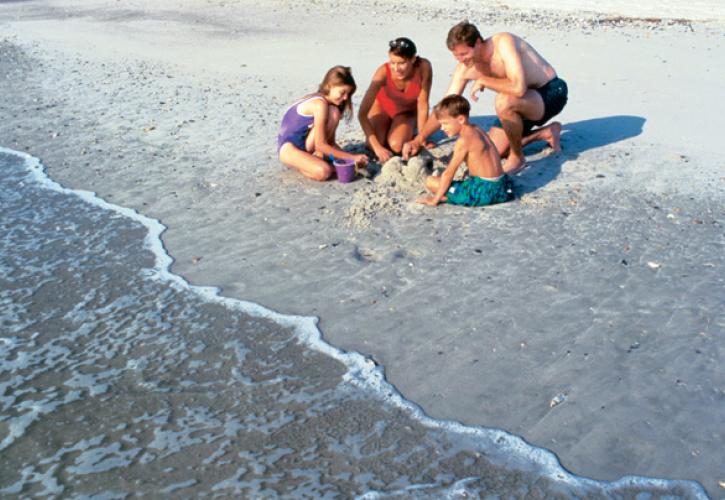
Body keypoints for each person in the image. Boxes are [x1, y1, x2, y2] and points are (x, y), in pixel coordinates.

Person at [404, 21, 568, 175]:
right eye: (456, 56)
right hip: (519, 106)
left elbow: (518, 88)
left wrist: (484, 80)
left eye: (464, 54)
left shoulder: (503, 43)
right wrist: (418, 140)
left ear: (477, 42)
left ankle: (517, 158)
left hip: (550, 93)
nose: (461, 60)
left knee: (504, 101)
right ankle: (546, 133)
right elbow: (444, 108)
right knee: (492, 151)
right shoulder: (465, 67)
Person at [417, 95, 513, 207]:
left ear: (461, 119)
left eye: (445, 123)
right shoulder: (477, 129)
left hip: (483, 192)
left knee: (431, 182)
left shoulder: (463, 141)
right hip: (503, 188)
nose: (442, 128)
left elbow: (449, 173)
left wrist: (435, 200)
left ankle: (449, 197)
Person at [278, 65, 368, 181]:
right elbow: (321, 145)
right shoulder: (319, 104)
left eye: (348, 93)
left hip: (307, 145)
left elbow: (330, 144)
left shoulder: (330, 108)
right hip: (289, 148)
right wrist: (352, 158)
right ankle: (311, 165)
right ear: (328, 86)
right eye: (342, 92)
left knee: (334, 112)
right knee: (323, 172)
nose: (346, 98)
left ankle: (319, 161)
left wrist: (348, 160)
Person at [358, 37, 433, 163]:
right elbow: (362, 114)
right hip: (382, 108)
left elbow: (423, 104)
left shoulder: (424, 67)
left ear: (413, 59)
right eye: (392, 63)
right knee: (374, 144)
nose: (396, 68)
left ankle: (405, 128)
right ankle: (387, 129)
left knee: (396, 146)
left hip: (407, 112)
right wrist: (377, 149)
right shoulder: (382, 72)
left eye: (402, 63)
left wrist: (421, 138)